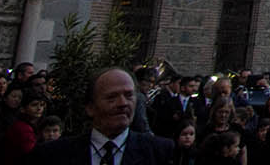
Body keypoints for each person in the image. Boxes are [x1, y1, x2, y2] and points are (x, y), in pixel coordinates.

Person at [28, 66, 174, 163]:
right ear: (90, 107)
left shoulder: (161, 152)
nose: (123, 103)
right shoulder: (52, 155)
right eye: (112, 97)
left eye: (129, 95)